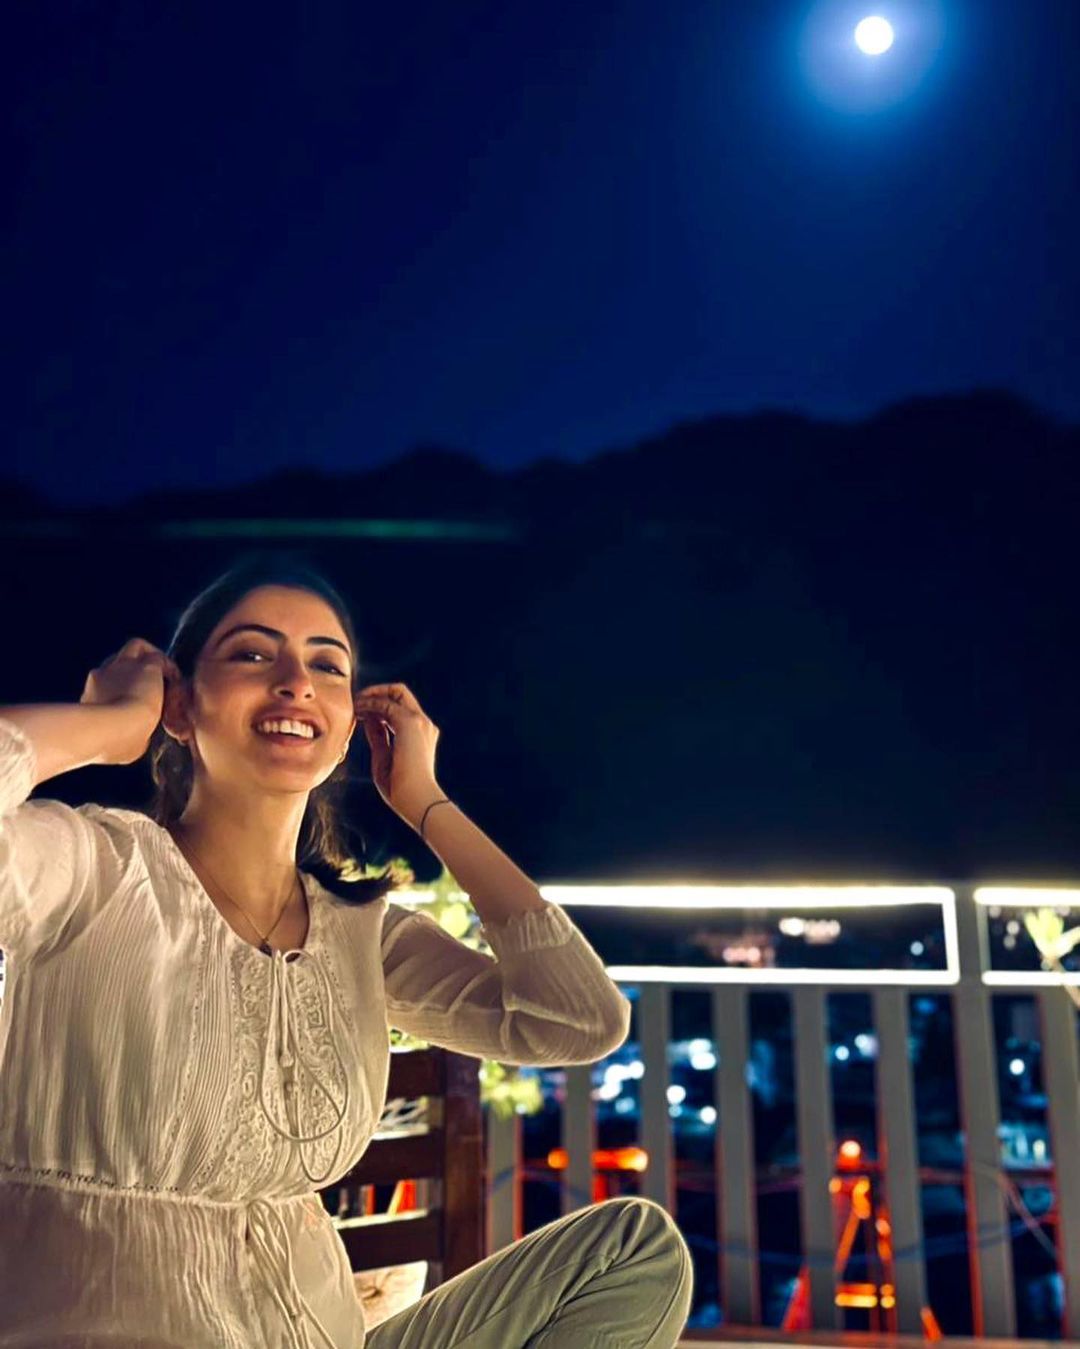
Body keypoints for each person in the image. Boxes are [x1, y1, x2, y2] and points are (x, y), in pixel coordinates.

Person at [0, 552, 693, 1348]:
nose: (295, 681)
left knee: (634, 1249)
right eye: (253, 653)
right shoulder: (91, 870)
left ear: (345, 729)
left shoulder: (359, 930)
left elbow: (579, 1020)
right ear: (180, 705)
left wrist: (426, 801)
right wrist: (108, 726)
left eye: (326, 665)